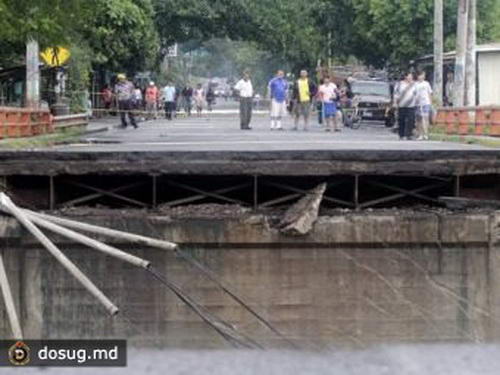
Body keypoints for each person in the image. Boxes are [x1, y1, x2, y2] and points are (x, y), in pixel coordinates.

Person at [394, 72, 417, 140]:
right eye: (409, 76)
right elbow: (396, 94)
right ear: (405, 77)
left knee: (411, 120)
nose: (410, 78)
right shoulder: (399, 84)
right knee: (401, 120)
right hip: (401, 105)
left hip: (411, 105)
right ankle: (401, 134)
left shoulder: (414, 85)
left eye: (411, 77)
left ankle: (409, 134)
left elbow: (417, 93)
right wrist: (395, 102)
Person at [415, 71, 433, 141]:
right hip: (418, 104)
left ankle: (426, 134)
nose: (422, 77)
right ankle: (420, 134)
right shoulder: (415, 84)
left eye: (423, 75)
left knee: (426, 118)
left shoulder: (426, 84)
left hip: (426, 103)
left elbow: (430, 93)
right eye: (420, 75)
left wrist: (431, 103)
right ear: (418, 76)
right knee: (419, 119)